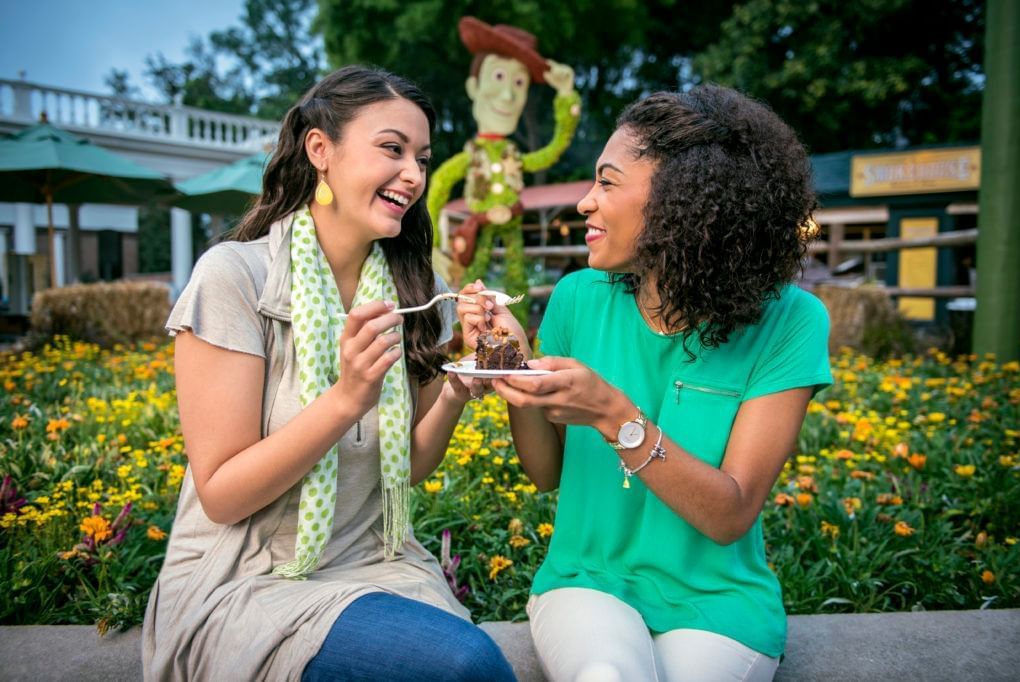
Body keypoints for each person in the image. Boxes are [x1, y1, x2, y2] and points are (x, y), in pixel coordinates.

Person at [143, 65, 516, 682]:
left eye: (422, 158)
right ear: (321, 149)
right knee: (467, 665)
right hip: (249, 580)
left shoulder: (418, 291)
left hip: (380, 563)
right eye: (392, 149)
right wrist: (346, 399)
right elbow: (223, 493)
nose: (413, 175)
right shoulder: (236, 279)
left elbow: (410, 466)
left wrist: (457, 384)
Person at [457, 85, 832, 681]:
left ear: (679, 200)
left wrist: (613, 415)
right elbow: (546, 472)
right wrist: (515, 370)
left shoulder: (790, 321)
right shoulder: (578, 298)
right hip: (589, 580)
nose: (584, 202)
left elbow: (729, 514)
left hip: (720, 603)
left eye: (607, 182)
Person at [427, 16, 581, 324]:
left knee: (516, 275)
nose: (509, 95)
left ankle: (518, 328)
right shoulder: (470, 157)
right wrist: (429, 246)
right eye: (499, 76)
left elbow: (551, 151)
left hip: (511, 227)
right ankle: (471, 336)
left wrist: (566, 96)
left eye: (519, 83)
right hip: (480, 228)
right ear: (474, 86)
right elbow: (438, 189)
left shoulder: (515, 155)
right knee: (473, 276)